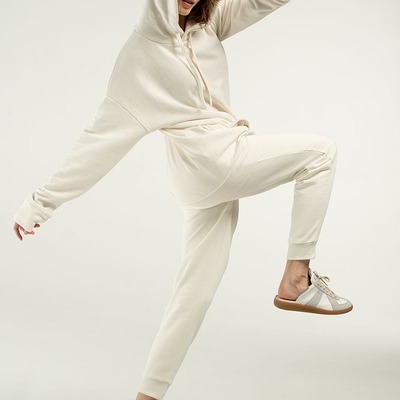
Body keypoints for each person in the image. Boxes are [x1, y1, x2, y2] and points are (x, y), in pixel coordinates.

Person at [13, 1, 353, 399]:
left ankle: (147, 396)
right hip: (215, 162)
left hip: (197, 177)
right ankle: (296, 278)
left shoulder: (209, 22)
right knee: (321, 154)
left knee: (194, 293)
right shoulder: (141, 55)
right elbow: (97, 143)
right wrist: (39, 204)